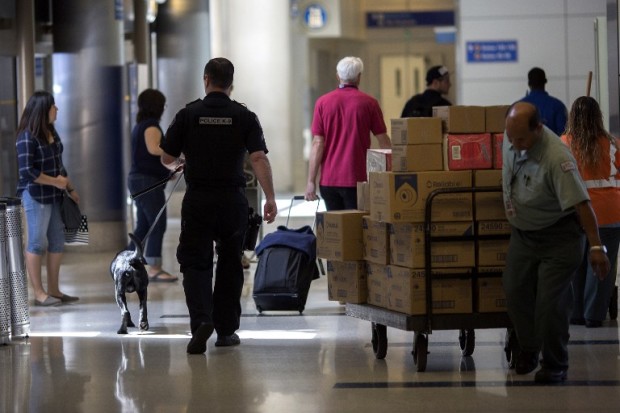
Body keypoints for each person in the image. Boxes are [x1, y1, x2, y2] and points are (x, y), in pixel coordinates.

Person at [160, 57, 277, 354]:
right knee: (229, 261)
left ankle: (201, 321)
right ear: (231, 82)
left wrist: (181, 164)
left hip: (198, 200)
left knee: (195, 262)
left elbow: (166, 157)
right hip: (232, 201)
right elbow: (259, 158)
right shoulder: (244, 116)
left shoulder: (188, 114)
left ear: (206, 78)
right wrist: (271, 197)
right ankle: (225, 331)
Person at [501, 101, 610, 383]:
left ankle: (555, 363)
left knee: (551, 304)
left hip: (559, 237)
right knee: (515, 292)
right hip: (524, 234)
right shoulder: (513, 135)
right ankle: (528, 348)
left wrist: (596, 247)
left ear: (538, 129)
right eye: (510, 138)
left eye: (521, 139)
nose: (514, 144)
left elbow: (582, 205)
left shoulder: (556, 157)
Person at [15, 91, 80, 306]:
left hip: (55, 195)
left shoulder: (51, 131)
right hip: (35, 196)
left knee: (58, 241)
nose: (57, 109)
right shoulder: (27, 136)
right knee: (36, 242)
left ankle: (54, 290)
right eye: (53, 106)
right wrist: (56, 182)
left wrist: (69, 188)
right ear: (43, 110)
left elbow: (59, 165)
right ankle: (39, 293)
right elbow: (27, 172)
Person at [561, 96, 620, 328]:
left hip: (575, 212)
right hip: (610, 213)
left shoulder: (564, 143)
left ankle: (574, 313)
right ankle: (594, 315)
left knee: (575, 264)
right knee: (602, 265)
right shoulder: (613, 143)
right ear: (598, 116)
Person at [305, 56, 391, 210]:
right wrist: (393, 173)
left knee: (336, 230)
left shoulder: (322, 103)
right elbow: (383, 141)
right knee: (356, 228)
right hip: (358, 180)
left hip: (329, 181)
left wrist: (311, 181)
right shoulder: (369, 103)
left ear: (338, 76)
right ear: (359, 77)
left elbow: (318, 143)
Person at [127, 88, 178, 282]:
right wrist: (176, 155)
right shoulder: (150, 126)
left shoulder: (141, 125)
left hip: (142, 180)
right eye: (163, 105)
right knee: (157, 223)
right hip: (146, 182)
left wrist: (167, 171)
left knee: (144, 225)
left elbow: (147, 157)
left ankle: (126, 260)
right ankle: (154, 266)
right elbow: (154, 149)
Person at [520, 67, 568, 136]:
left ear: (529, 83)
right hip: (553, 146)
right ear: (545, 81)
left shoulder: (518, 107)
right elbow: (564, 135)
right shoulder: (558, 106)